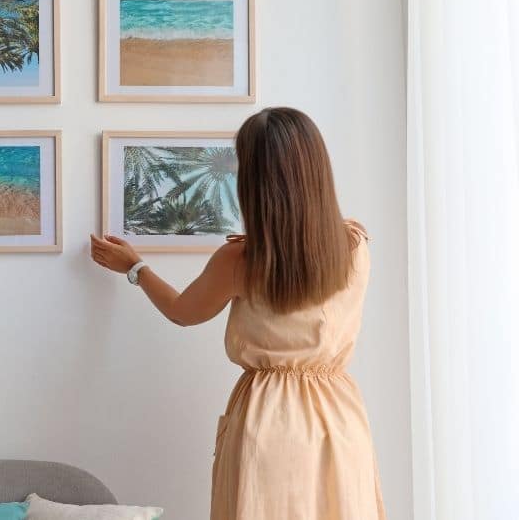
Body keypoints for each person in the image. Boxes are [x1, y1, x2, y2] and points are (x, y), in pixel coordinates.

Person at [90, 107, 386, 520]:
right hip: (339, 422)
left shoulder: (241, 260)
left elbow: (182, 312)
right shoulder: (355, 245)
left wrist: (136, 268)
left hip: (269, 423)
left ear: (256, 181)